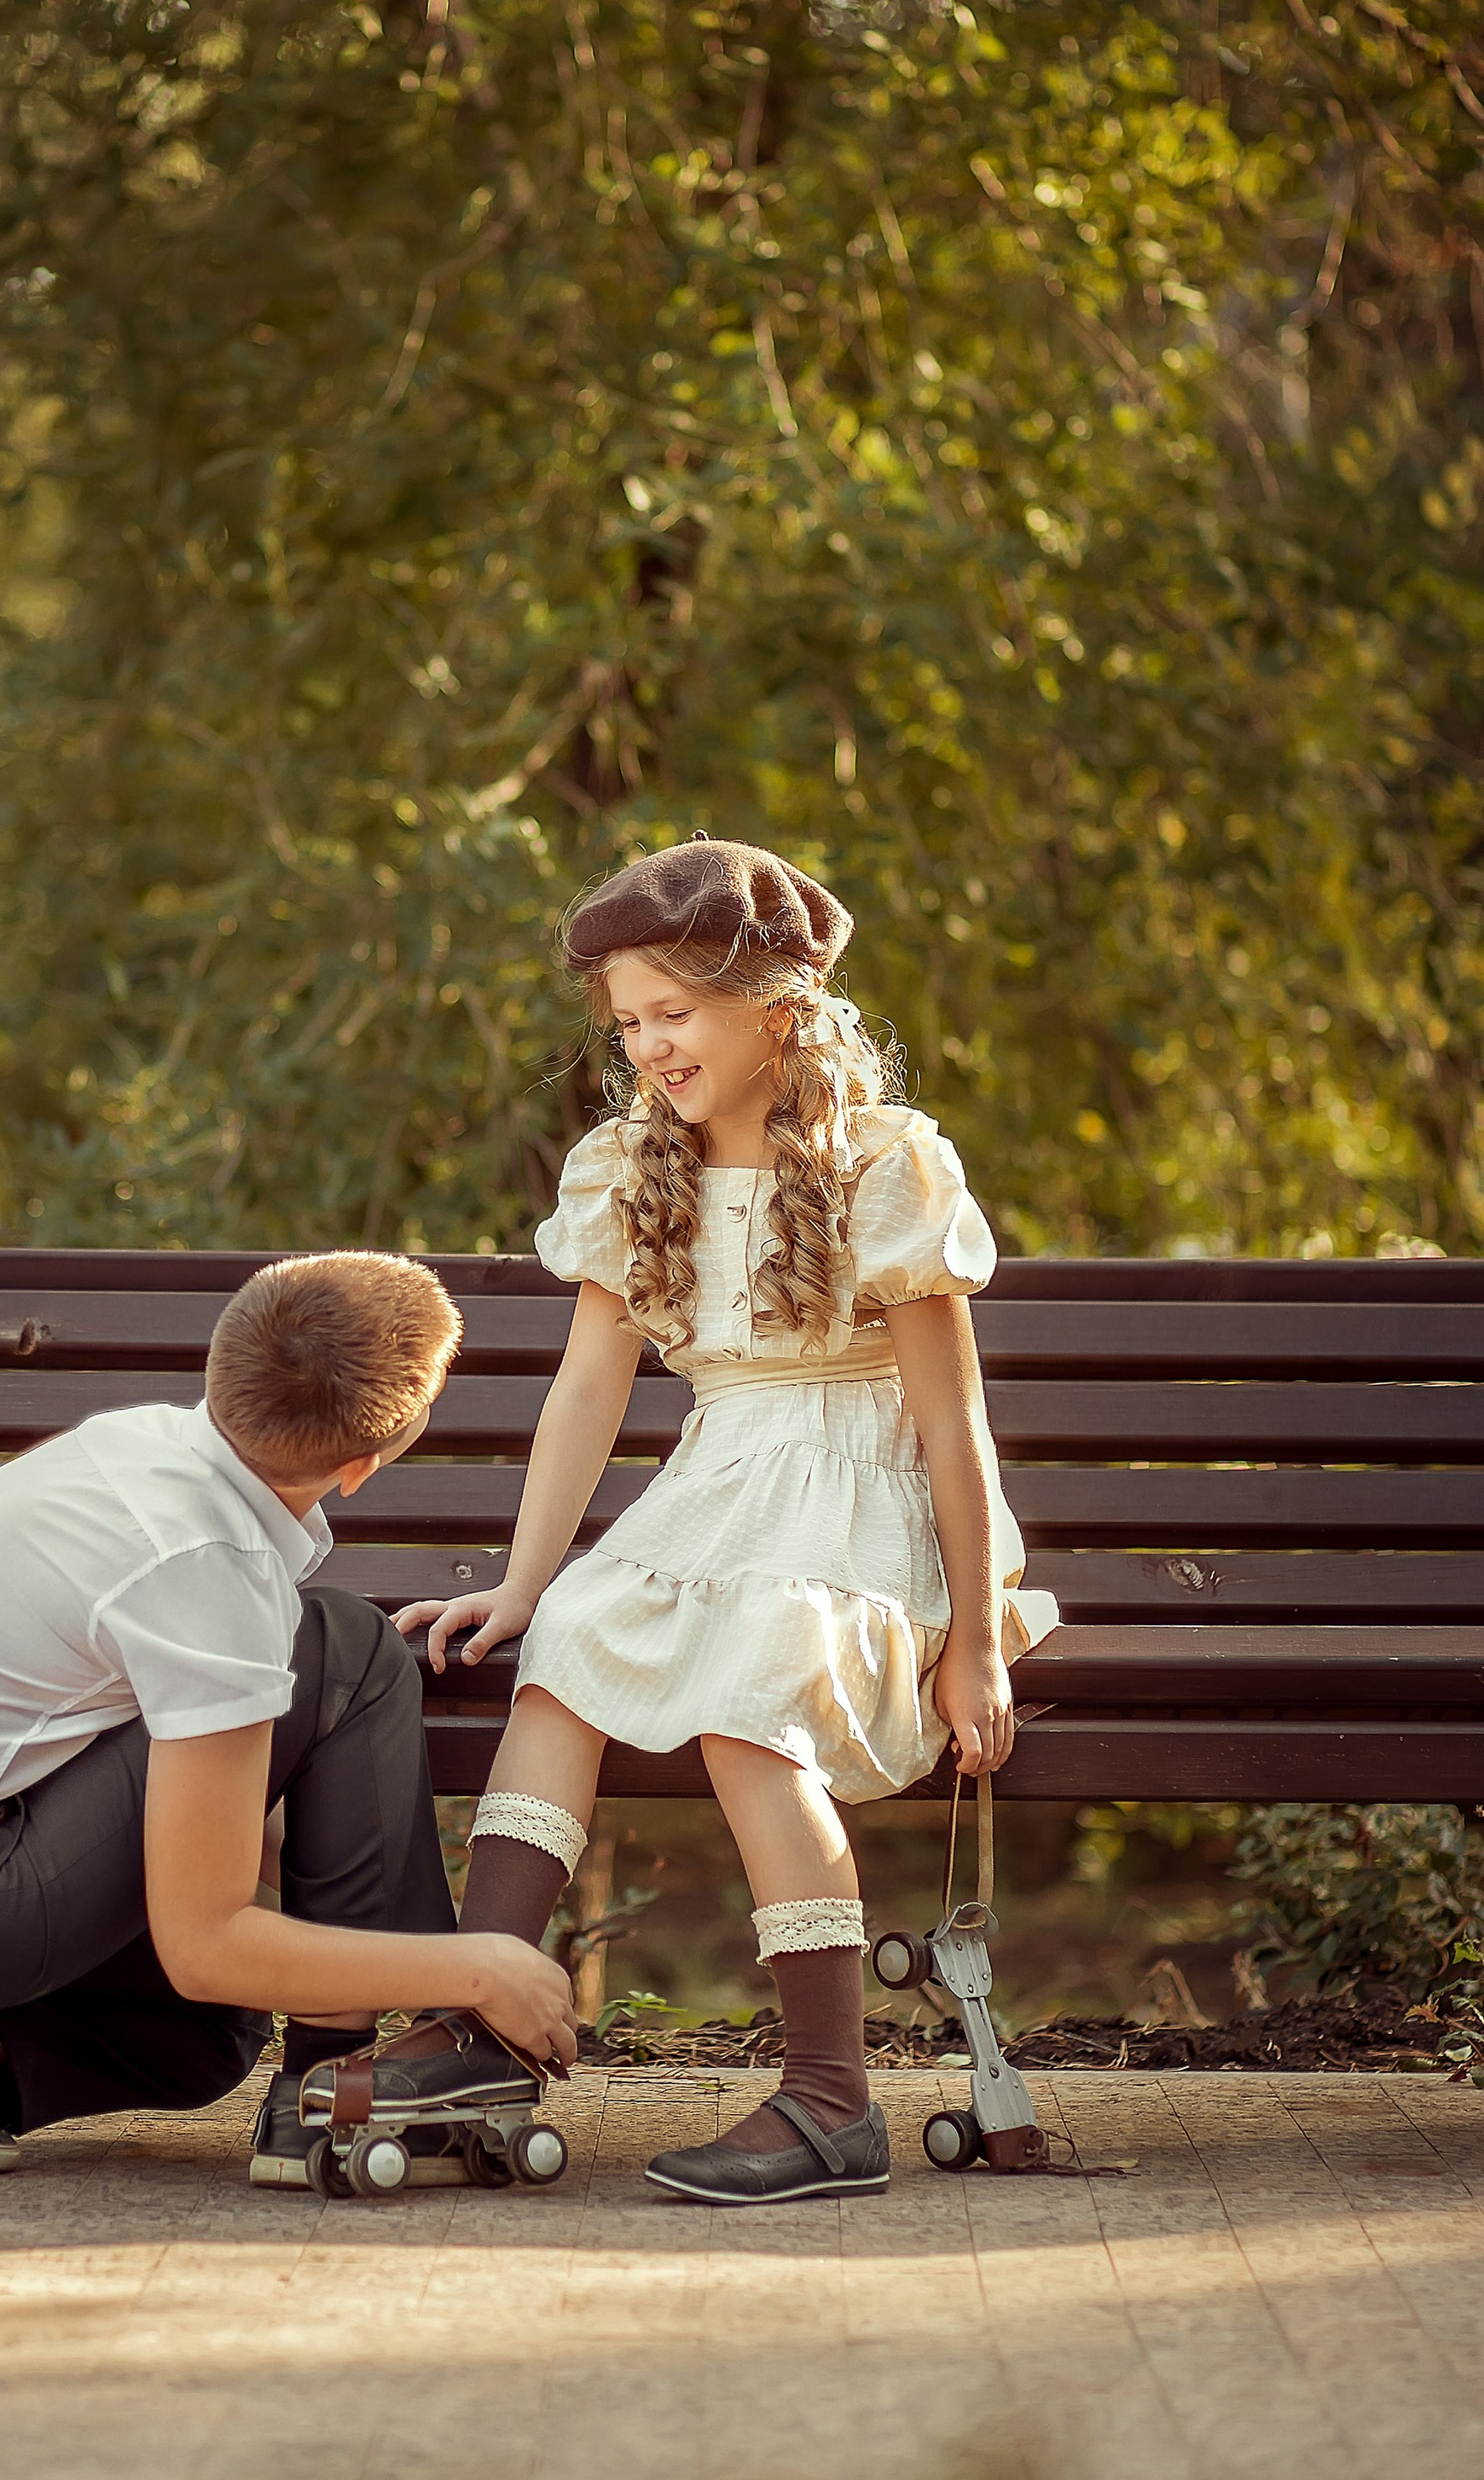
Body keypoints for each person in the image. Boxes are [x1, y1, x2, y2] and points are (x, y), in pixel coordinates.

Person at [386, 835, 1058, 2205]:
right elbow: (588, 1391)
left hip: (865, 1506)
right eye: (628, 1023)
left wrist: (978, 1634)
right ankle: (479, 2028)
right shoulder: (633, 1165)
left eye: (673, 1014)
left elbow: (951, 1422)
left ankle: (829, 2098)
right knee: (565, 1651)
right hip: (719, 1488)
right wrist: (522, 1587)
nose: (647, 1048)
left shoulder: (885, 1162)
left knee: (757, 1684)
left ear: (773, 1005)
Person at [0, 1250, 579, 2180]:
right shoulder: (209, 1569)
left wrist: (356, 1884)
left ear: (219, 1369)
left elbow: (199, 1842)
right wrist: (472, 1970)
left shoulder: (140, 1447)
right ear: (360, 1466)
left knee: (209, 2034)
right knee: (348, 1652)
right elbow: (203, 1943)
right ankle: (337, 2091)